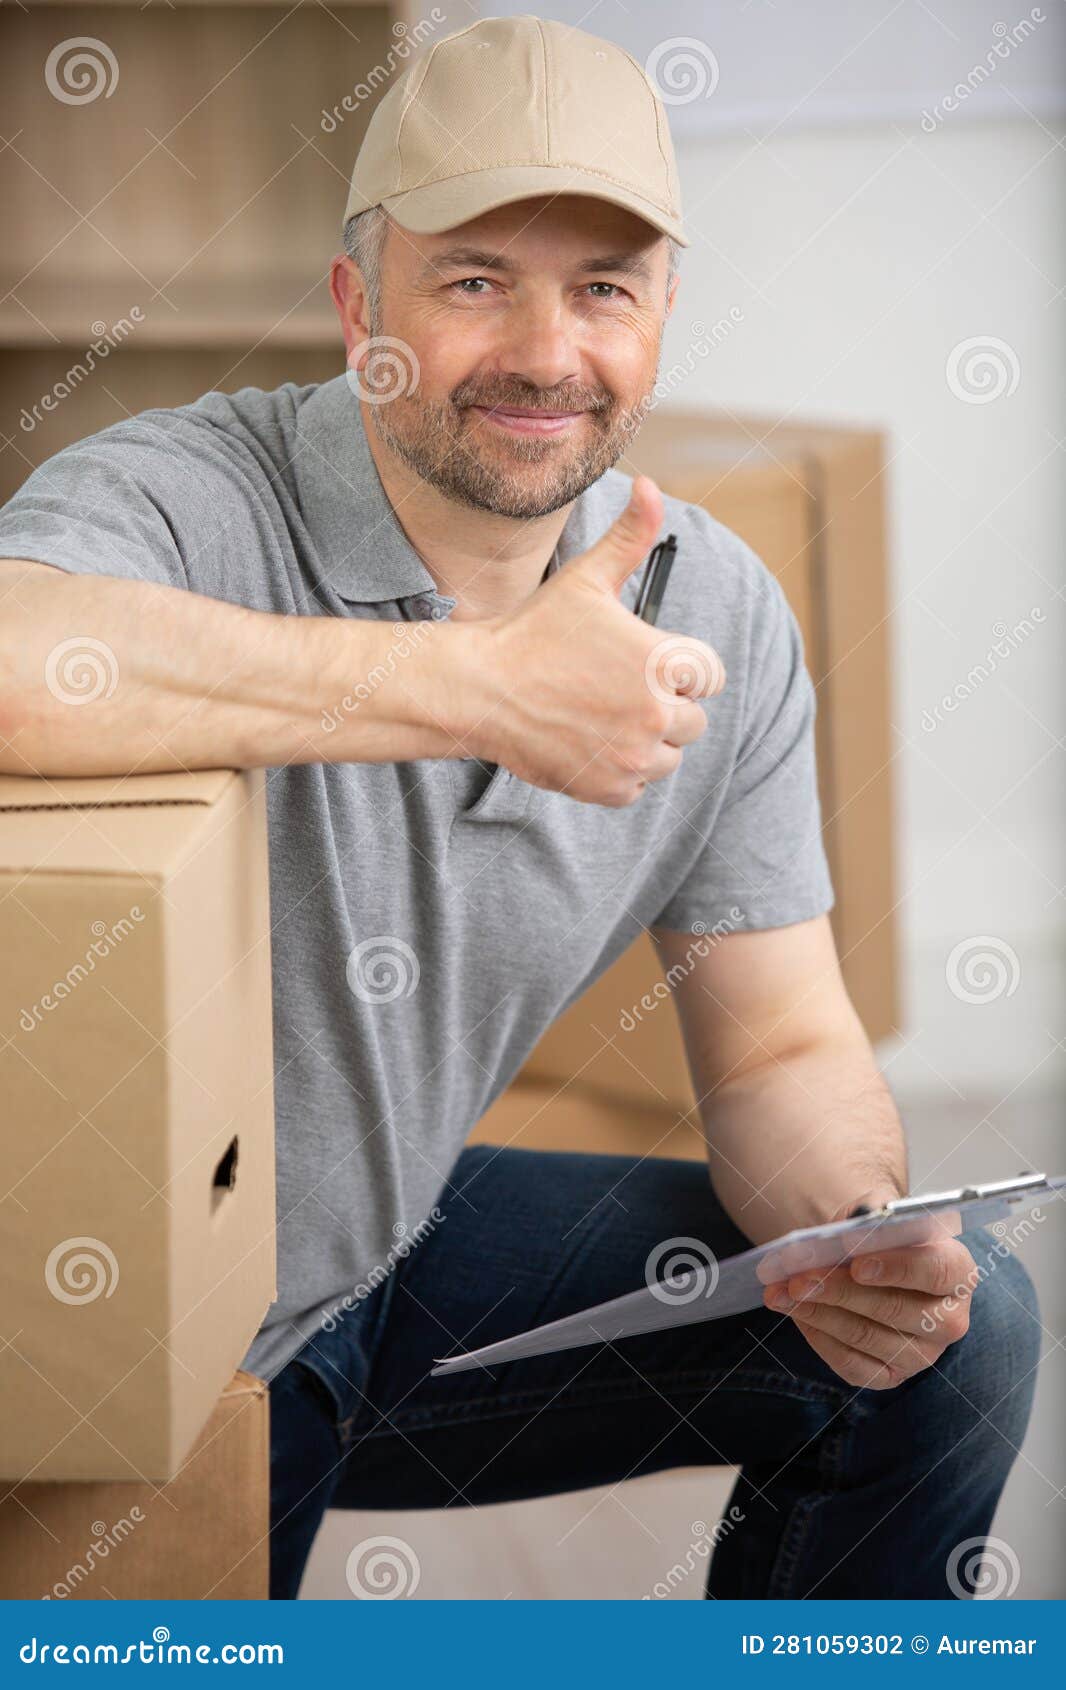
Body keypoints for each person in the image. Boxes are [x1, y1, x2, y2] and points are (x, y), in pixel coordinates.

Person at [0, 15, 1039, 1600]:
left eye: (603, 288)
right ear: (361, 307)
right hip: (169, 1342)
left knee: (963, 1342)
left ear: (663, 314)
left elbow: (778, 1045)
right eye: (475, 278)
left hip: (390, 1260)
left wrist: (849, 1232)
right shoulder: (190, 496)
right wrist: (484, 685)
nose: (547, 353)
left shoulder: (714, 608)